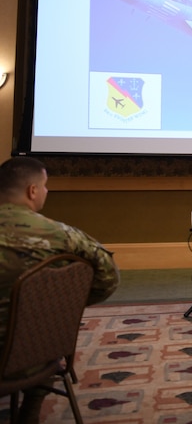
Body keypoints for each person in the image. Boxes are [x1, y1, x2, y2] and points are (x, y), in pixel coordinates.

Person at [0, 156, 120, 423]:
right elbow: (108, 277)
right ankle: (31, 407)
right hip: (31, 355)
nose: (45, 191)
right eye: (44, 186)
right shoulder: (60, 235)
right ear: (32, 190)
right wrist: (62, 305)